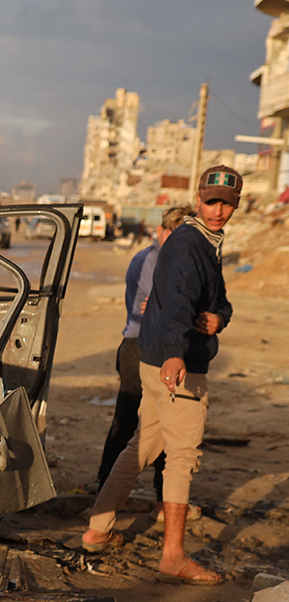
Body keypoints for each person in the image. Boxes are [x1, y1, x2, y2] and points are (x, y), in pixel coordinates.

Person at [80, 165, 241, 585]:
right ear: (199, 199)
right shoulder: (191, 244)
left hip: (153, 361)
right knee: (182, 457)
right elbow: (175, 303)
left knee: (142, 445)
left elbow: (216, 299)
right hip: (175, 363)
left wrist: (220, 318)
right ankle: (173, 557)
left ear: (235, 205)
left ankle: (97, 529)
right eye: (211, 201)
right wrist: (175, 354)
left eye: (226, 203)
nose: (218, 210)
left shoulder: (203, 241)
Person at [94, 206, 191, 501]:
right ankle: (105, 489)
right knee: (129, 420)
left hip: (152, 345)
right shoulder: (153, 260)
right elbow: (157, 309)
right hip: (141, 346)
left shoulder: (165, 259)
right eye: (177, 235)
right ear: (163, 231)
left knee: (164, 421)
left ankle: (162, 494)